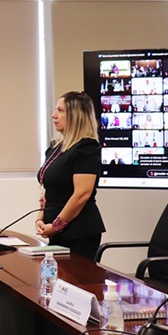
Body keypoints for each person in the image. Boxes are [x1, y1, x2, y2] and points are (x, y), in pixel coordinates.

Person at [35, 91, 105, 259]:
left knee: (72, 283)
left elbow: (82, 194)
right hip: (55, 229)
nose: (54, 115)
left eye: (60, 110)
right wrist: (41, 219)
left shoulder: (86, 148)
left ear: (76, 116)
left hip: (78, 232)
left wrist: (57, 225)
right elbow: (48, 188)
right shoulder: (55, 149)